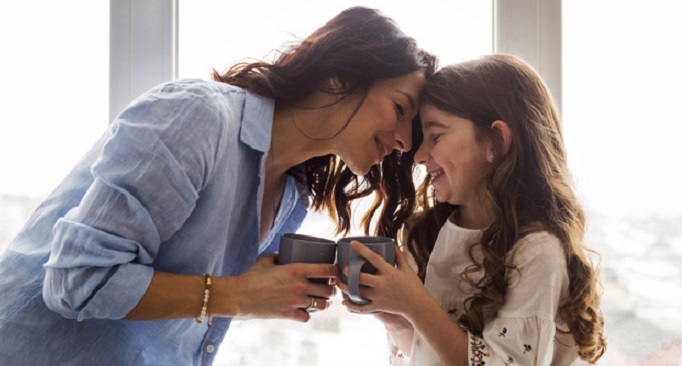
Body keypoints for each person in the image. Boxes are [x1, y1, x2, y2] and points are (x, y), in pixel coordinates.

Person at [0, 7, 436, 365]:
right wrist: (240, 295)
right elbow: (77, 278)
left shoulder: (292, 198)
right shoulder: (199, 118)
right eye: (399, 108)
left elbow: (190, 317)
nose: (402, 142)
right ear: (340, 76)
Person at [338, 54, 607, 365]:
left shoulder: (536, 252)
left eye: (436, 136)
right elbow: (431, 354)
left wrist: (415, 304)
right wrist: (397, 320)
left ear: (495, 140)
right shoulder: (428, 237)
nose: (419, 156)